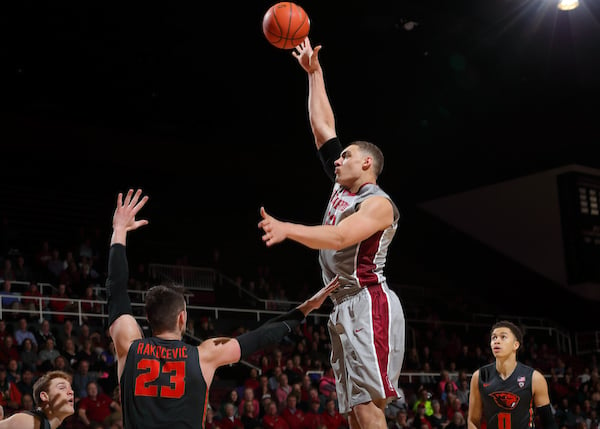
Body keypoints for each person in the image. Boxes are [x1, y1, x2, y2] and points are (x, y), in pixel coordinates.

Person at [257, 37, 405, 429]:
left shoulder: (378, 204)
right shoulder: (343, 186)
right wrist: (314, 73)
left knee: (371, 409)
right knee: (355, 411)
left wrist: (288, 228)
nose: (337, 159)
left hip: (368, 301)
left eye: (346, 156)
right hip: (343, 304)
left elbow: (340, 239)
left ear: (367, 163)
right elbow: (322, 125)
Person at [106, 188, 340, 429]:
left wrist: (119, 231)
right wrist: (306, 307)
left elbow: (116, 290)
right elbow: (262, 336)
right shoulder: (204, 355)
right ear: (182, 318)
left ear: (147, 317)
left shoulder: (129, 345)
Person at [467, 320, 558, 429]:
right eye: (494, 338)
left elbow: (549, 423)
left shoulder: (534, 378)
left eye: (503, 337)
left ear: (516, 345)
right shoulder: (479, 376)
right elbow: (473, 421)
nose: (496, 341)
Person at [0, 370, 74, 428]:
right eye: (62, 387)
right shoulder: (28, 422)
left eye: (71, 389)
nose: (71, 392)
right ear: (44, 396)